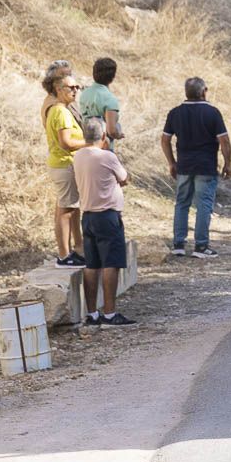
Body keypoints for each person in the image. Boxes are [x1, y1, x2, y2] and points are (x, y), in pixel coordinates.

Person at [72, 118, 135, 328]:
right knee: (111, 264)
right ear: (104, 137)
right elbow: (124, 178)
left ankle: (92, 313)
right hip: (107, 215)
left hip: (88, 216)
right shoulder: (107, 156)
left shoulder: (78, 156)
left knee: (92, 265)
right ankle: (109, 313)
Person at [162, 77, 231, 258]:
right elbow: (223, 140)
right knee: (204, 205)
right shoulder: (212, 113)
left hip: (184, 166)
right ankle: (201, 246)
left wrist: (171, 162)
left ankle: (178, 244)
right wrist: (228, 163)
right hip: (206, 166)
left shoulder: (175, 113)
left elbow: (165, 139)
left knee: (182, 203)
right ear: (203, 91)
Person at [43, 69, 87, 268]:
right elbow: (66, 142)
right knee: (66, 210)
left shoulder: (61, 109)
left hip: (65, 164)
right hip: (64, 164)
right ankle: (63, 255)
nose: (76, 90)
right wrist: (90, 143)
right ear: (59, 90)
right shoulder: (60, 111)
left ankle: (74, 251)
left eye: (77, 87)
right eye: (71, 87)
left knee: (70, 208)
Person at [79, 58, 124, 149]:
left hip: (86, 145)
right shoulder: (110, 98)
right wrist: (119, 135)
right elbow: (111, 131)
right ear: (112, 77)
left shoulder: (84, 94)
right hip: (103, 147)